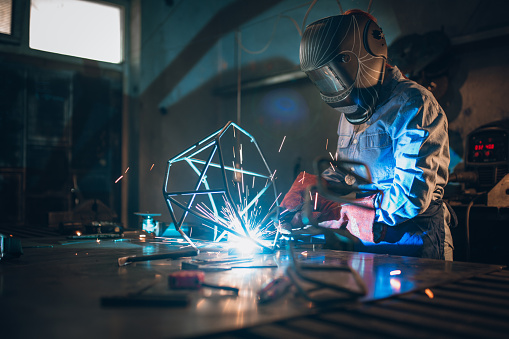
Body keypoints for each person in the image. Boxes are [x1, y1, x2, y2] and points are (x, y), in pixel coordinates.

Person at [280, 9, 455, 260]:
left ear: (367, 54)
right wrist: (318, 187)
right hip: (367, 242)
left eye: (336, 75)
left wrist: (343, 211)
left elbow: (411, 196)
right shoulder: (353, 114)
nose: (336, 88)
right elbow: (346, 172)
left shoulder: (412, 104)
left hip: (414, 243)